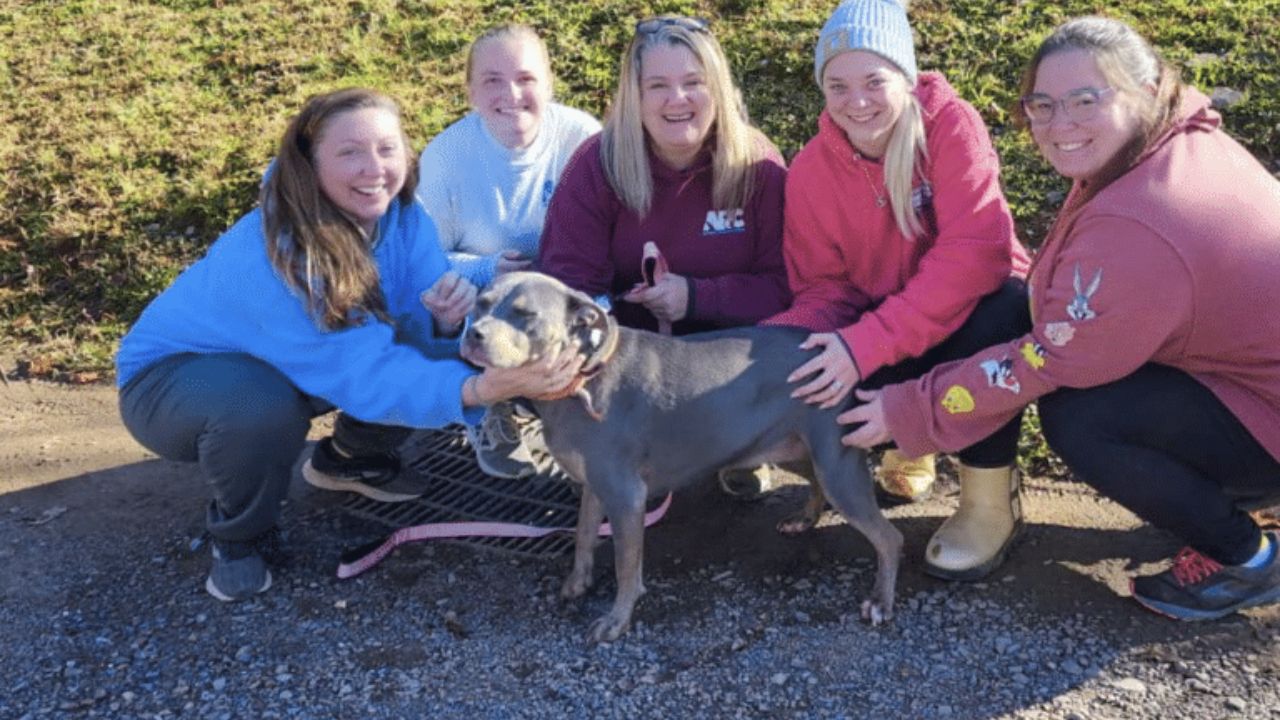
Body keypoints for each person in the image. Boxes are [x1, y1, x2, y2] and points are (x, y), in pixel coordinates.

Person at [843, 16, 1280, 620]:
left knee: (1083, 415)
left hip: (1264, 410)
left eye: (1085, 99)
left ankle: (1247, 561)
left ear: (1147, 88)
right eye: (1042, 104)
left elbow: (1050, 361)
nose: (1059, 123)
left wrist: (910, 407)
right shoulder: (1175, 143)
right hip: (1253, 380)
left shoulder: (1141, 222)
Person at [116, 88, 579, 603]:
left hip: (299, 363)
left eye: (387, 148)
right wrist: (481, 388)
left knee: (412, 352)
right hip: (170, 383)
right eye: (349, 153)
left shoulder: (403, 219)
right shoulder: (280, 253)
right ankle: (240, 537)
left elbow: (407, 343)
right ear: (309, 166)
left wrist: (447, 327)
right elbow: (370, 376)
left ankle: (349, 459)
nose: (374, 168)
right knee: (259, 405)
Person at [768, 0, 1030, 571]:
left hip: (972, 313)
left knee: (1003, 309)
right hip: (888, 324)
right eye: (837, 85)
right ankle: (911, 450)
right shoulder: (811, 169)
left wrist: (864, 346)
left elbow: (976, 257)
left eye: (873, 81)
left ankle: (990, 500)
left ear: (906, 78)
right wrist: (775, 349)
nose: (855, 102)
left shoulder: (951, 126)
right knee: (815, 379)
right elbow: (824, 289)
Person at [538, 15, 791, 497]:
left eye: (693, 82)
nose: (677, 100)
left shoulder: (758, 166)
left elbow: (785, 286)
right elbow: (566, 283)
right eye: (658, 85)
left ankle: (741, 446)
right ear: (634, 97)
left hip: (726, 361)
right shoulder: (598, 164)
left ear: (717, 88)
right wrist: (606, 326)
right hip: (626, 367)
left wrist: (695, 297)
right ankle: (610, 454)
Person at [415, 24, 600, 480]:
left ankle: (590, 409)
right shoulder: (445, 156)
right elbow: (421, 258)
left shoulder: (583, 137)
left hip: (565, 290)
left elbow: (611, 234)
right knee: (439, 298)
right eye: (492, 80)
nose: (510, 94)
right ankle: (488, 406)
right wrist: (483, 269)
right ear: (471, 91)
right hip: (483, 305)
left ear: (549, 84)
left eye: (525, 78)